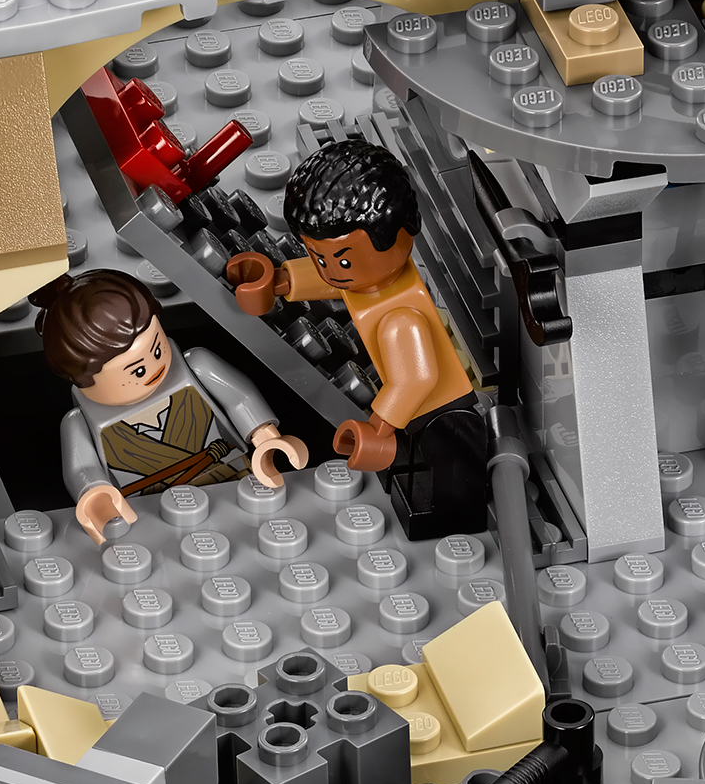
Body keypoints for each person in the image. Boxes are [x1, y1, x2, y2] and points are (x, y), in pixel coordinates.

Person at [226, 139, 487, 537]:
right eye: (319, 257)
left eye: (343, 258)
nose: (332, 270)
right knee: (418, 469)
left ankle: (450, 525)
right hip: (413, 412)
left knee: (448, 488)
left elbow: (416, 379)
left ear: (402, 234)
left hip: (444, 417)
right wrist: (279, 280)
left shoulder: (400, 317)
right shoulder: (366, 278)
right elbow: (334, 281)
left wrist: (378, 428)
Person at [36, 269, 308, 544]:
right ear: (85, 379)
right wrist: (95, 493)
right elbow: (82, 469)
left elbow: (240, 399)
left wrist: (265, 439)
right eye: (137, 371)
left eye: (157, 350)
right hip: (150, 510)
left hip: (235, 478)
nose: (154, 366)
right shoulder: (79, 422)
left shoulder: (197, 365)